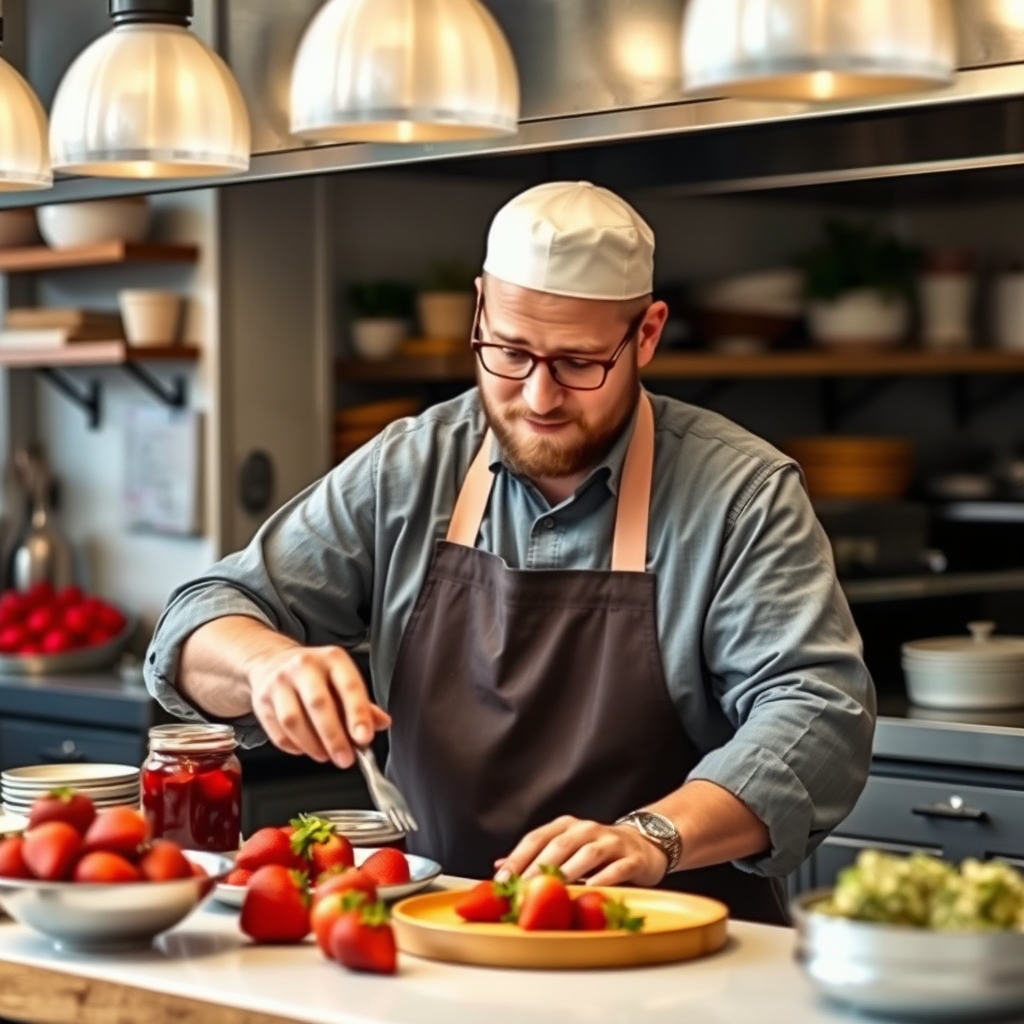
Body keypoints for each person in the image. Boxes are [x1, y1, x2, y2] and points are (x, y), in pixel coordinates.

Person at [145, 180, 876, 925]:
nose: (538, 397)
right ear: (479, 312)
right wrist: (265, 665)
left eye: (579, 363)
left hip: (670, 941)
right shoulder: (412, 466)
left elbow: (819, 712)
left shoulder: (741, 494)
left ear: (648, 334)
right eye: (509, 352)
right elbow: (199, 619)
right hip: (438, 938)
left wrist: (657, 835)